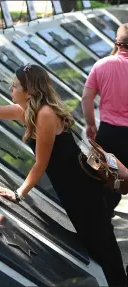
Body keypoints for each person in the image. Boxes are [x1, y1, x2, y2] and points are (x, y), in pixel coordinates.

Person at [0, 64, 128, 286]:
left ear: (30, 91)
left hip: (82, 193)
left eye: (16, 86)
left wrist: (19, 194)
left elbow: (40, 163)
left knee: (106, 255)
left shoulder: (45, 114)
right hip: (70, 191)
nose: (11, 88)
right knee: (98, 249)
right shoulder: (28, 111)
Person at [81, 23, 128, 216]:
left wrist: (91, 124)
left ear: (117, 43)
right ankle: (105, 217)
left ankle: (94, 217)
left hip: (107, 134)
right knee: (119, 184)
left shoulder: (102, 65)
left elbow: (86, 98)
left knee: (98, 175)